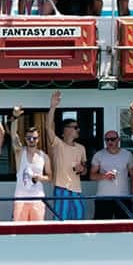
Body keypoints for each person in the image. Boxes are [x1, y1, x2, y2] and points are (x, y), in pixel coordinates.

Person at [43, 92, 89, 220]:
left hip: (77, 190)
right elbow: (48, 127)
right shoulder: (58, 144)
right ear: (65, 130)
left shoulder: (81, 148)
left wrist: (82, 169)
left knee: (79, 218)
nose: (78, 130)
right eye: (75, 127)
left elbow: (85, 171)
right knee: (60, 220)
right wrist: (53, 106)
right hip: (61, 188)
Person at [7, 108, 51, 221]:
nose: (31, 140)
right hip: (21, 199)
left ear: (38, 139)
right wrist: (15, 117)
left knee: (37, 230)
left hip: (38, 199)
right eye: (29, 138)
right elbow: (13, 135)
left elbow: (50, 177)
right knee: (19, 229)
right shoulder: (20, 152)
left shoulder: (44, 156)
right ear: (25, 139)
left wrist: (40, 178)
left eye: (34, 138)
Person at [88, 125, 133, 220]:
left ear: (118, 140)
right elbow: (92, 176)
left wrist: (132, 195)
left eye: (112, 139)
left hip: (123, 197)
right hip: (103, 197)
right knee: (101, 226)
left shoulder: (127, 155)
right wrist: (104, 176)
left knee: (124, 226)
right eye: (107, 140)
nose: (109, 142)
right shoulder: (99, 155)